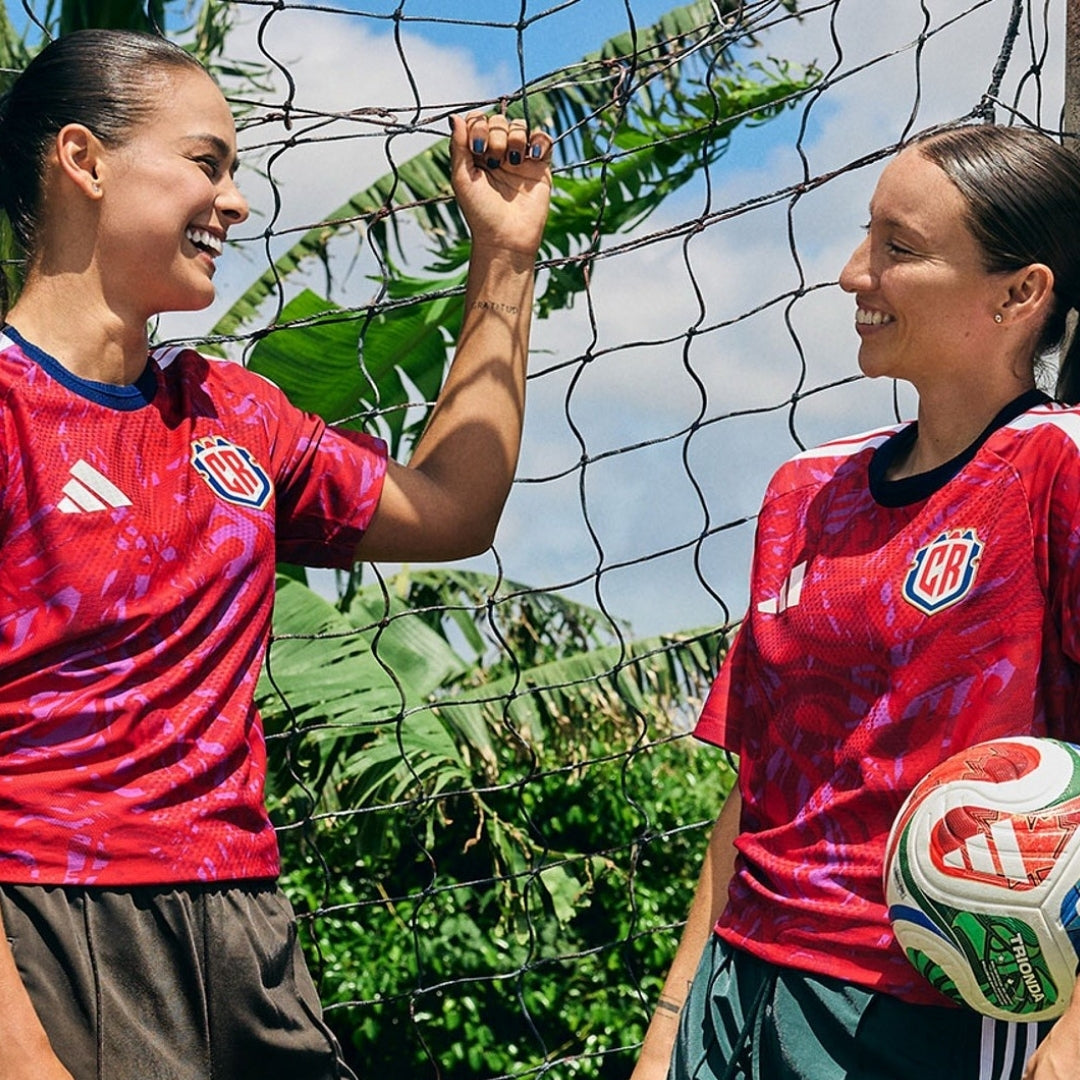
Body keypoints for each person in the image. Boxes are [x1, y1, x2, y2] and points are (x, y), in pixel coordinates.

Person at [0, 27, 551, 1080]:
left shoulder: (235, 414)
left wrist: (507, 257)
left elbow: (448, 511)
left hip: (243, 927)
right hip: (50, 920)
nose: (238, 202)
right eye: (207, 163)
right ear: (84, 160)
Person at [631, 123, 1080, 1080]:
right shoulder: (805, 489)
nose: (851, 273)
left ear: (1020, 293)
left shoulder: (1058, 469)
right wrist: (670, 1019)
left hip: (924, 1007)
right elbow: (753, 790)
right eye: (866, 235)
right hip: (736, 988)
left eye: (898, 249)